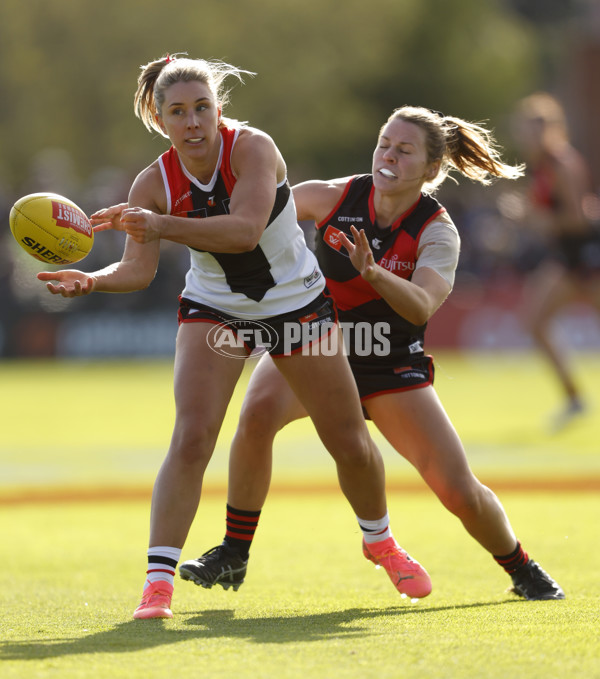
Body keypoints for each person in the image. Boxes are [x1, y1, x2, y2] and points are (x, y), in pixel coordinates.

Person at [37, 55, 432, 619]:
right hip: (216, 310)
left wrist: (161, 224)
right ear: (160, 118)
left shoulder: (253, 149)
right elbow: (138, 270)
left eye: (202, 107)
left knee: (346, 437)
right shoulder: (152, 182)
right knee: (193, 436)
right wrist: (90, 280)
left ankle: (380, 541)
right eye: (178, 112)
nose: (193, 121)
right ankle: (157, 584)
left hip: (297, 306)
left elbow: (246, 232)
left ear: (219, 109)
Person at [180, 106, 565, 601]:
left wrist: (374, 272)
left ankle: (521, 567)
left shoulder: (436, 230)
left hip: (387, 365)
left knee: (458, 492)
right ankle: (233, 554)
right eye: (385, 143)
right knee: (254, 417)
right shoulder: (334, 195)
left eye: (404, 151)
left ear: (430, 170)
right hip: (316, 346)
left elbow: (423, 304)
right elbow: (255, 221)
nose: (388, 156)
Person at [511, 92, 600, 430]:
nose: (528, 138)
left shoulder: (563, 163)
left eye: (534, 130)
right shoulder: (544, 166)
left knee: (535, 321)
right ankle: (574, 399)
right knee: (534, 322)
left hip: (587, 258)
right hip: (568, 258)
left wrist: (534, 218)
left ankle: (575, 400)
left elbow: (577, 220)